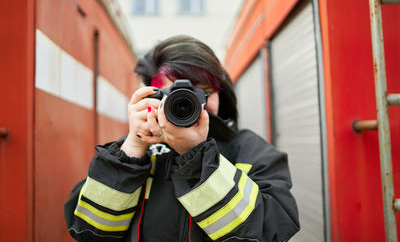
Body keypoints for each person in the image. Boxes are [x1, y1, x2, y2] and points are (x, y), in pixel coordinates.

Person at [64, 35, 300, 242]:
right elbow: (89, 232)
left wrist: (196, 157)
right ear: (148, 96)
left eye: (203, 93)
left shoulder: (250, 151)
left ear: (221, 94)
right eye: (170, 94)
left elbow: (270, 231)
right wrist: (132, 150)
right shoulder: (129, 153)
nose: (187, 104)